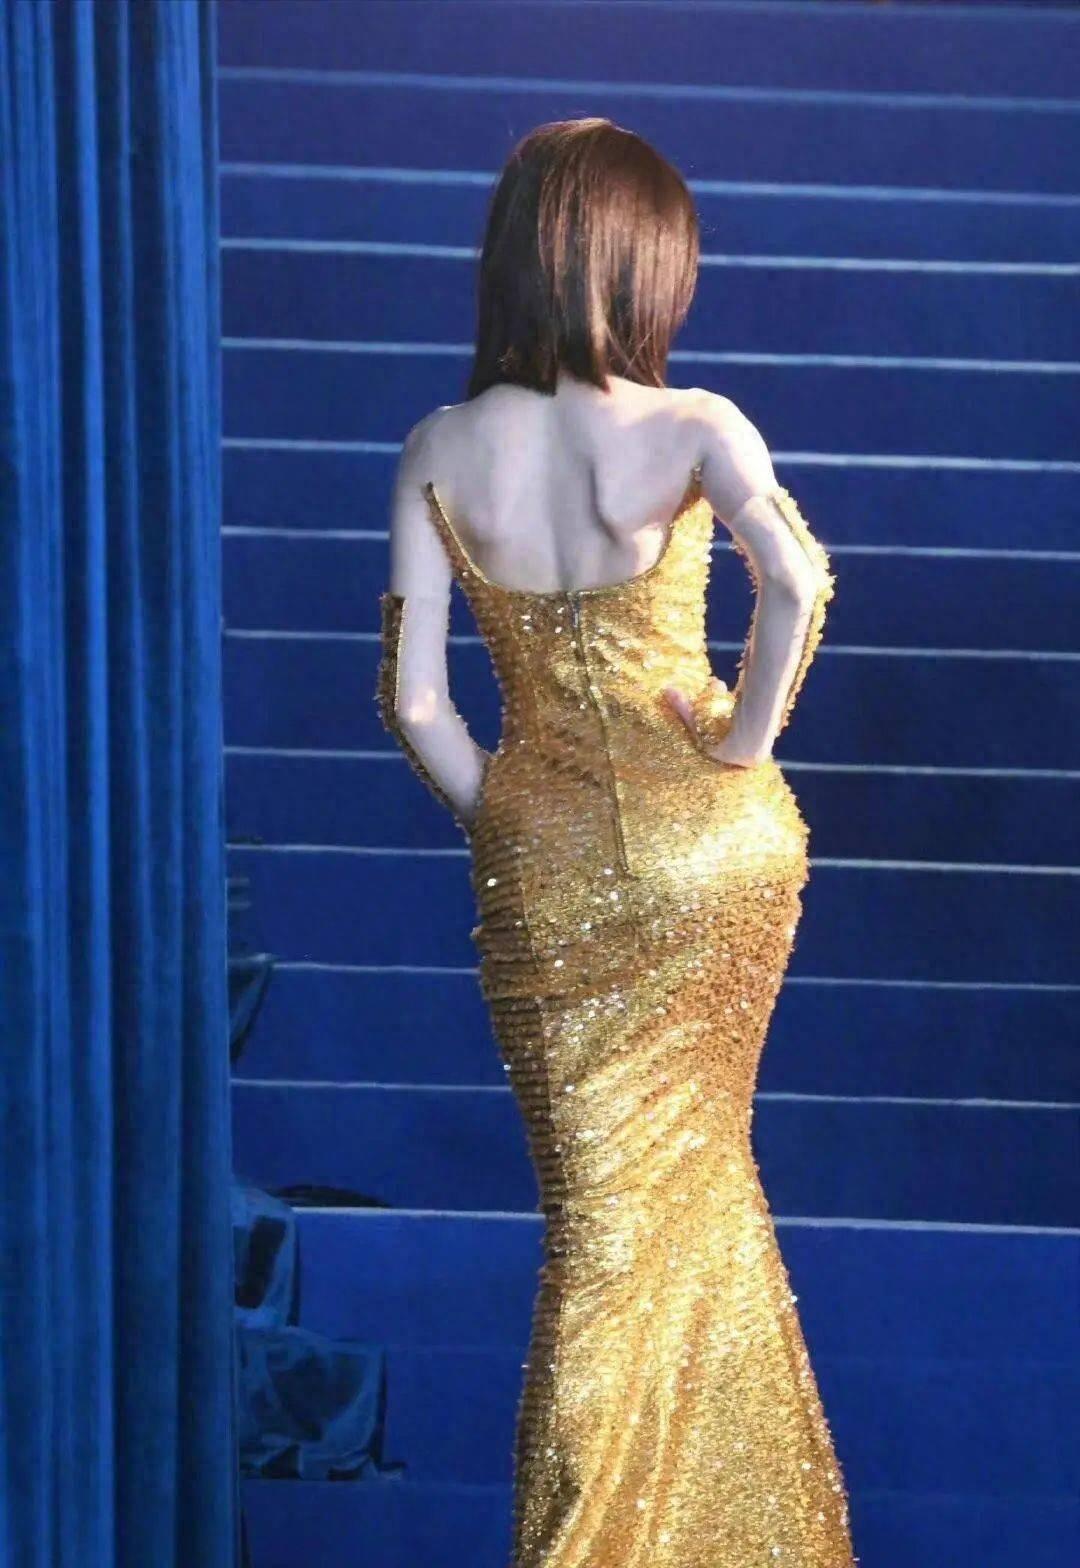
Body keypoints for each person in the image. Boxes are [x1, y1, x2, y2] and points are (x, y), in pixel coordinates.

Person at [376, 117, 855, 1568]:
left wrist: (510, 818)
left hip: (548, 871)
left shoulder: (438, 449)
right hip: (721, 855)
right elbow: (797, 582)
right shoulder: (698, 423)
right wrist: (743, 749)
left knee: (600, 1228)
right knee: (701, 1183)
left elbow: (414, 705)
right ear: (646, 262)